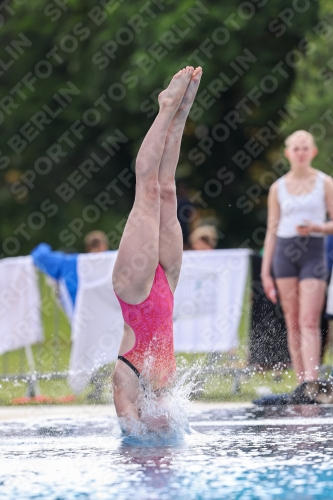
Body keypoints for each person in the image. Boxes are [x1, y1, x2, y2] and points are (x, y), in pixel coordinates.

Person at [112, 66, 202, 431]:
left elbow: (130, 437)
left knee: (147, 191)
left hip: (135, 294)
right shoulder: (166, 396)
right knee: (166, 189)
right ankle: (181, 113)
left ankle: (166, 106)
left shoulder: (125, 380)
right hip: (167, 288)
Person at [258, 130, 333, 404]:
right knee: (293, 322)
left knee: (309, 320)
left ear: (312, 152)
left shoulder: (325, 183)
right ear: (288, 153)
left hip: (313, 251)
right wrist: (266, 272)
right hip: (284, 254)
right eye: (296, 148)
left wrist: (317, 227)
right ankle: (301, 381)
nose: (300, 153)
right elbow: (271, 229)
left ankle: (312, 379)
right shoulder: (278, 187)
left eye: (305, 148)